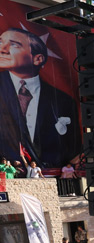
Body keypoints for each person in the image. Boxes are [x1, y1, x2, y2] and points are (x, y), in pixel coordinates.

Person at [0, 28, 81, 169]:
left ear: (38, 59)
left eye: (14, 44)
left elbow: (72, 150)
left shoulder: (63, 101)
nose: (3, 49)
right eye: (0, 42)